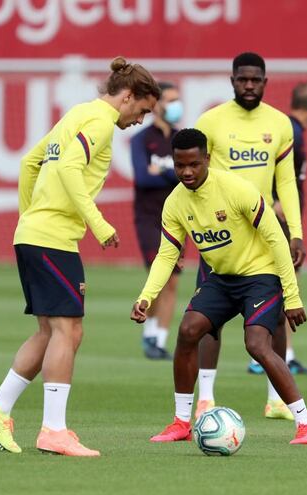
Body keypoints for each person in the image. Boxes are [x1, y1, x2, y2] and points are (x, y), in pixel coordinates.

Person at [0, 57, 160, 457]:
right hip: (53, 238)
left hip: (36, 234)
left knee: (52, 331)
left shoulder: (77, 113)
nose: (142, 119)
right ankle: (53, 431)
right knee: (68, 331)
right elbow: (70, 169)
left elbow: (30, 163)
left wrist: (29, 217)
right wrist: (98, 222)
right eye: (143, 110)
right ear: (127, 97)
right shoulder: (101, 124)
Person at [130, 128, 307, 445]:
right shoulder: (175, 202)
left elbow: (276, 239)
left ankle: (306, 425)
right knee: (189, 330)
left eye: (194, 164)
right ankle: (180, 423)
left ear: (207, 159)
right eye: (180, 166)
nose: (187, 172)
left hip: (261, 275)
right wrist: (146, 297)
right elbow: (168, 254)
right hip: (221, 279)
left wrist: (292, 296)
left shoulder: (236, 190)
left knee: (257, 344)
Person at [193, 52, 306, 421]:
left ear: (265, 82)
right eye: (242, 79)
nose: (249, 86)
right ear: (232, 80)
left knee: (274, 318)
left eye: (255, 80)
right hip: (221, 235)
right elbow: (197, 176)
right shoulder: (211, 121)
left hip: (265, 234)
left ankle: (276, 399)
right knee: (209, 319)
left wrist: (296, 233)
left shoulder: (280, 124)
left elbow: (286, 181)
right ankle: (206, 399)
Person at [252, 82, 307, 376]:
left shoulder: (291, 129)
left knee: (282, 289)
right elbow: (278, 174)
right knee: (280, 289)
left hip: (282, 220)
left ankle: (280, 354)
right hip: (277, 221)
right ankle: (272, 356)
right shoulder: (291, 132)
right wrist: (279, 205)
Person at [130, 81, 183, 360]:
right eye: (171, 100)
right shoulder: (141, 139)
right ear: (158, 105)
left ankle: (158, 340)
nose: (176, 106)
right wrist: (171, 171)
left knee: (173, 280)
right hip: (149, 218)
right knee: (159, 276)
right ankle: (150, 331)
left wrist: (160, 169)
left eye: (178, 100)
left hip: (178, 219)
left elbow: (190, 175)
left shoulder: (181, 139)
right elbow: (142, 177)